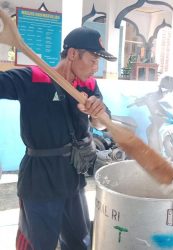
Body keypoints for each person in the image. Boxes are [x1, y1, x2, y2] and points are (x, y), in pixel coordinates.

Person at [0, 27, 116, 250]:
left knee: (79, 242)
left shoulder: (88, 85)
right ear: (72, 54)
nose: (96, 67)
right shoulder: (32, 78)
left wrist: (97, 113)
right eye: (92, 60)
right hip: (40, 178)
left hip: (73, 176)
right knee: (38, 244)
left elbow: (103, 123)